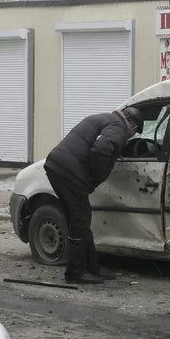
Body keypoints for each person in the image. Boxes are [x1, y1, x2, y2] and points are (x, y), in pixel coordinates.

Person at [44, 107, 144, 284]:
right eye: (132, 135)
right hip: (68, 171)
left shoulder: (105, 119)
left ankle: (91, 267)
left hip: (57, 166)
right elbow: (101, 149)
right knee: (81, 219)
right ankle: (75, 273)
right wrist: (94, 178)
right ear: (133, 129)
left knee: (79, 218)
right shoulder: (119, 128)